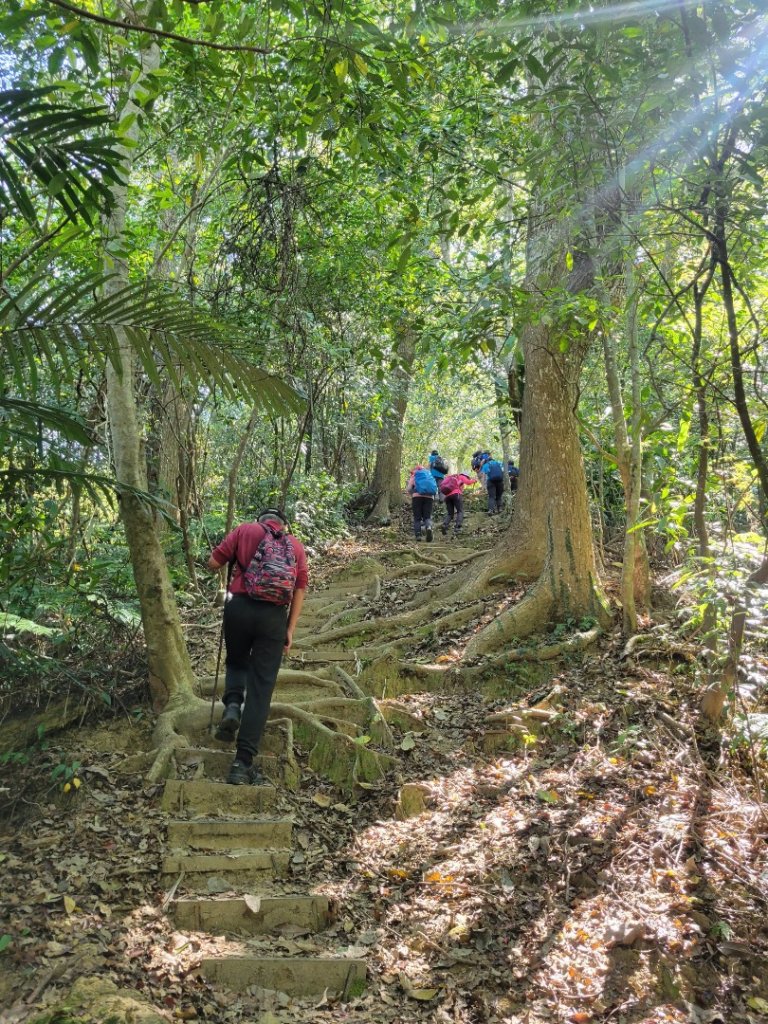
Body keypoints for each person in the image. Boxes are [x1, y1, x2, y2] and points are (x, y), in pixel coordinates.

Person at [207, 508, 308, 785]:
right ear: (284, 526)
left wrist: (231, 558)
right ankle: (241, 763)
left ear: (261, 521)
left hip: (238, 608)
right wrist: (289, 629)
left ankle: (232, 705)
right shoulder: (295, 546)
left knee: (237, 661)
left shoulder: (245, 530)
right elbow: (300, 588)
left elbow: (213, 563)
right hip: (273, 618)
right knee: (262, 689)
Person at [438, 472, 477, 537]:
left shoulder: (452, 477)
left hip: (447, 496)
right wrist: (474, 480)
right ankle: (457, 528)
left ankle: (445, 525)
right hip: (456, 494)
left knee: (450, 514)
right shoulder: (462, 476)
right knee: (460, 511)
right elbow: (468, 482)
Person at [406, 464, 438, 541]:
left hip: (417, 497)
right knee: (427, 517)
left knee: (417, 518)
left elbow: (409, 488)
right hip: (429, 498)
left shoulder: (414, 475)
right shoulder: (429, 475)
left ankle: (418, 535)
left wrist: (412, 493)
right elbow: (435, 487)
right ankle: (429, 527)